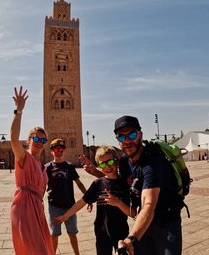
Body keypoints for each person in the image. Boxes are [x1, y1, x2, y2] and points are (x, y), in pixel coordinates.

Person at [113, 115, 182, 255]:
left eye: (131, 134)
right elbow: (121, 182)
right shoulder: (125, 162)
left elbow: (149, 204)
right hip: (143, 223)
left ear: (140, 135)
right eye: (121, 137)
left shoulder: (152, 162)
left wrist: (130, 240)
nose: (127, 141)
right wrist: (96, 173)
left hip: (166, 222)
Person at [55, 145, 137, 255]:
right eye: (102, 164)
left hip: (121, 234)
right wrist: (66, 216)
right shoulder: (98, 184)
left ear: (116, 161)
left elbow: (133, 213)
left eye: (110, 162)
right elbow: (82, 201)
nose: (107, 166)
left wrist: (118, 203)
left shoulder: (125, 184)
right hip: (102, 233)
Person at [9, 86, 54, 255]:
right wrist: (19, 110)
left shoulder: (43, 167)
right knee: (35, 250)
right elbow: (13, 139)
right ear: (29, 140)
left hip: (37, 209)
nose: (40, 141)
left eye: (43, 139)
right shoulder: (24, 157)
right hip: (24, 209)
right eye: (36, 138)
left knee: (43, 249)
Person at [46, 138, 88, 255]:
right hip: (54, 206)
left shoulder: (69, 166)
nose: (58, 151)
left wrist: (88, 197)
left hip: (70, 206)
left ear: (64, 151)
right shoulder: (47, 168)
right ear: (52, 151)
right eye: (56, 149)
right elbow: (40, 185)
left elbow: (79, 183)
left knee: (72, 233)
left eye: (61, 149)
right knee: (54, 235)